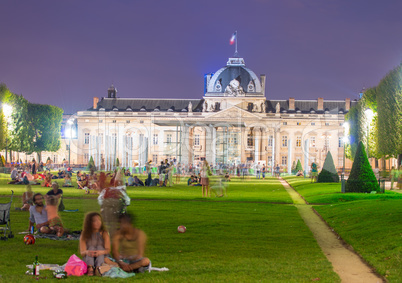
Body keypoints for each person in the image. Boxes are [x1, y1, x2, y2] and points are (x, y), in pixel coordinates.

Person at [80, 212, 111, 276]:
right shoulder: (84, 234)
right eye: (95, 221)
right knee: (91, 248)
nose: (98, 222)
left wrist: (100, 252)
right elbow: (82, 252)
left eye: (99, 220)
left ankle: (97, 268)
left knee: (100, 247)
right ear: (89, 223)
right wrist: (87, 252)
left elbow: (108, 250)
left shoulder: (104, 233)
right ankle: (90, 267)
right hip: (89, 257)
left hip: (102, 256)